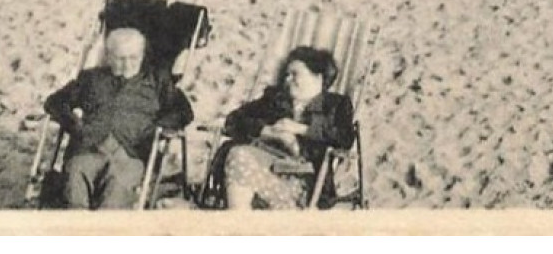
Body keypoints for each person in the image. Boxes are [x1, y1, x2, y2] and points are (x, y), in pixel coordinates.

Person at [44, 28, 194, 210]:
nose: (128, 64)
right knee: (75, 178)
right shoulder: (91, 78)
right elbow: (55, 102)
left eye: (134, 57)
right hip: (88, 147)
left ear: (142, 55)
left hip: (132, 152)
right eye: (121, 58)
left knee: (117, 189)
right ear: (108, 56)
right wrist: (74, 124)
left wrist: (158, 127)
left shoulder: (157, 81)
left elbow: (183, 111)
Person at [221, 46, 356, 211]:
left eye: (295, 74)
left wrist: (299, 130)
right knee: (239, 155)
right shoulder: (274, 98)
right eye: (286, 75)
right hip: (265, 168)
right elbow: (234, 120)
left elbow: (345, 137)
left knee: (240, 160)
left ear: (318, 77)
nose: (287, 80)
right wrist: (270, 132)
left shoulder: (336, 105)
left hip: (305, 182)